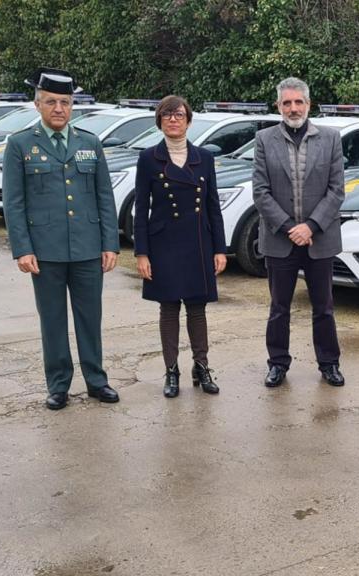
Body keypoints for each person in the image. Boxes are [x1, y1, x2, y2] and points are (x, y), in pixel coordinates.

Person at [3, 67, 121, 410]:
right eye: (51, 102)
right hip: (46, 252)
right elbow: (14, 202)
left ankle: (97, 381)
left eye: (65, 103)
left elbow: (104, 197)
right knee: (53, 320)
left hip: (86, 248)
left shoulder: (90, 142)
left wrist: (109, 243)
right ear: (37, 104)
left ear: (73, 106)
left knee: (90, 318)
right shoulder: (20, 145)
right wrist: (22, 248)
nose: (59, 109)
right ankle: (58, 386)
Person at [252, 77, 345, 388]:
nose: (293, 108)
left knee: (324, 308)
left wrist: (311, 226)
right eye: (287, 103)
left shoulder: (331, 139)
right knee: (279, 308)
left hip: (319, 239)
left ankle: (329, 364)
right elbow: (261, 192)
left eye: (298, 102)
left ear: (309, 104)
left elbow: (336, 191)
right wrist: (291, 228)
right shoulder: (265, 140)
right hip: (281, 241)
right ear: (278, 106)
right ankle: (277, 363)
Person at [133, 95, 226, 398]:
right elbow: (141, 209)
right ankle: (171, 370)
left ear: (188, 120)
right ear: (159, 121)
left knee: (197, 309)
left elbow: (213, 207)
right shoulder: (148, 158)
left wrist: (220, 249)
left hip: (199, 241)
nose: (174, 119)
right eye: (167, 115)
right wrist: (142, 253)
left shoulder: (204, 158)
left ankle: (201, 366)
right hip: (164, 243)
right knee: (169, 308)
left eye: (179, 115)